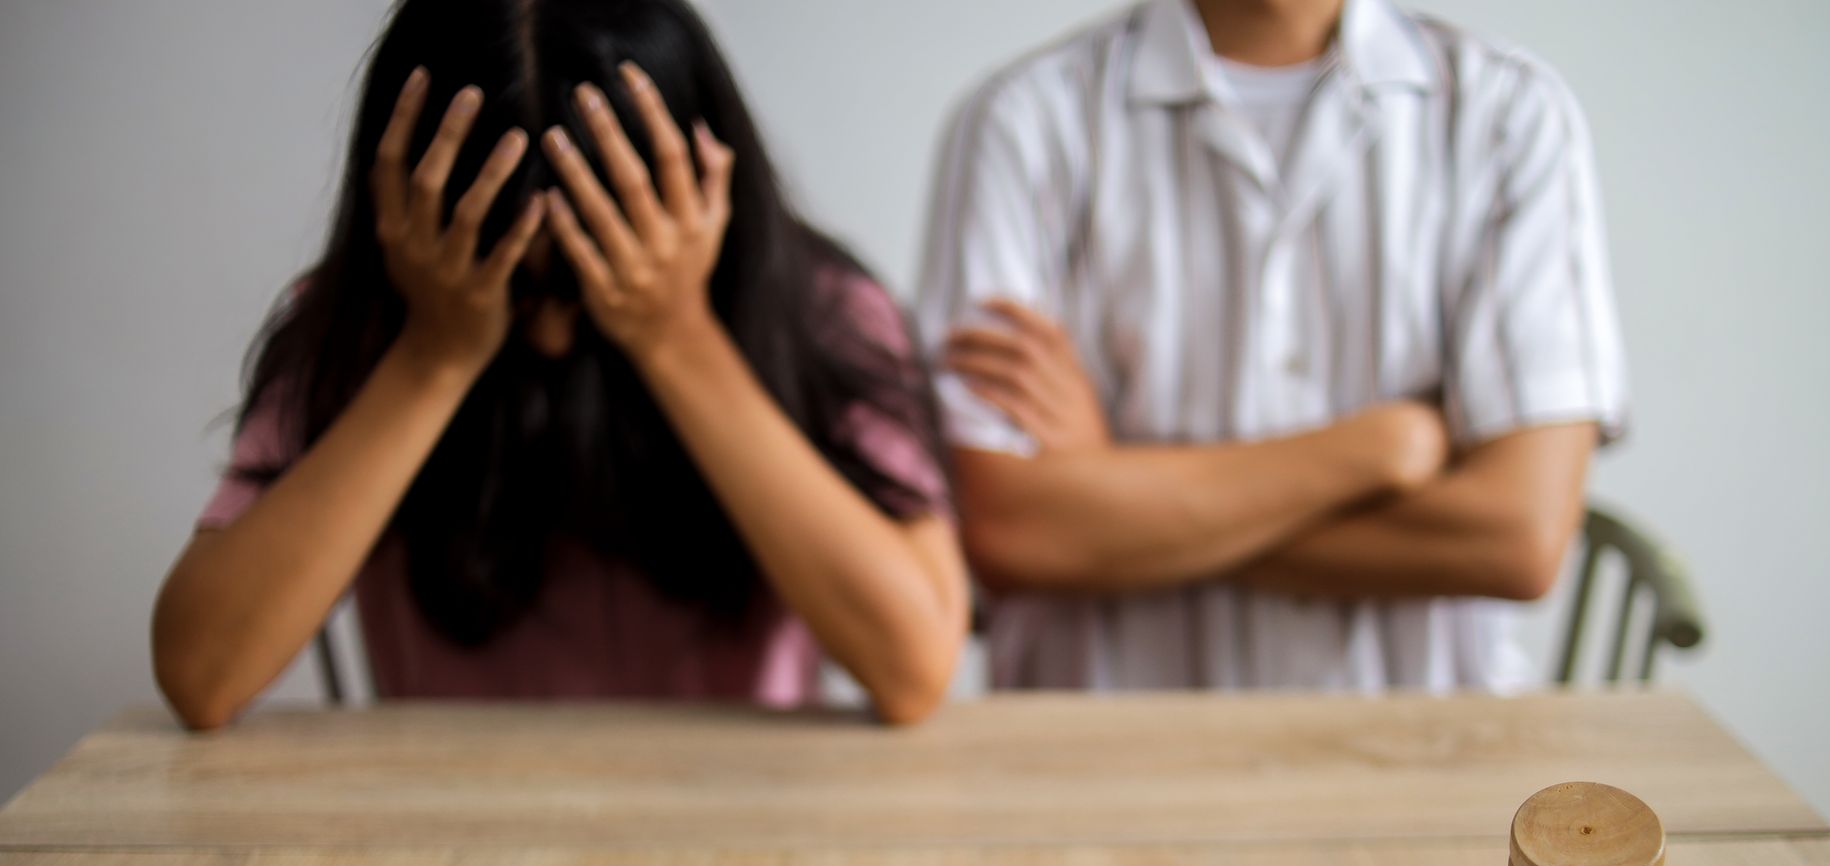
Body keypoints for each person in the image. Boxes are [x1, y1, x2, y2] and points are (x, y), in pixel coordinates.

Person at [153, 0, 968, 729]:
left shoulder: (823, 313)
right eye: (509, 283)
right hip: (449, 837)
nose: (546, 337)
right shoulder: (368, 327)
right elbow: (201, 675)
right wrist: (432, 358)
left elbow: (915, 668)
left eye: (587, 278)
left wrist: (675, 339)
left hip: (739, 835)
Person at [919, 0, 1625, 692]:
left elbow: (1517, 541)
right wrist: (1378, 450)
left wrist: (1119, 494)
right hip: (1109, 764)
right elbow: (1013, 532)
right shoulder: (1021, 119)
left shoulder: (1508, 113)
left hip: (1431, 752)